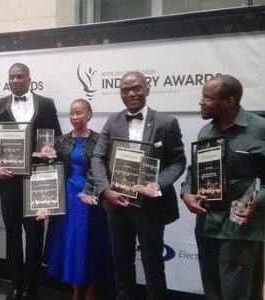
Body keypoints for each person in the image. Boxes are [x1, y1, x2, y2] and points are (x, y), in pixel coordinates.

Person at [91, 71, 186, 300]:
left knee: (153, 267)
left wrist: (158, 183)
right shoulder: (113, 120)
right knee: (122, 265)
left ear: (147, 89)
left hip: (150, 208)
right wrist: (105, 191)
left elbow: (178, 161)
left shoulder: (166, 122)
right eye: (125, 89)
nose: (131, 93)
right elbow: (97, 158)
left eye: (136, 88)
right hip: (117, 206)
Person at [0, 63, 62, 300]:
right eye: (11, 77)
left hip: (37, 180)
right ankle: (15, 283)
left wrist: (51, 151)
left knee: (34, 235)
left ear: (29, 79)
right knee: (12, 233)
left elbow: (58, 138)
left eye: (20, 77)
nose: (15, 81)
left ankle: (31, 286)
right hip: (8, 180)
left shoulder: (46, 104)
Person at [180, 75, 265, 300]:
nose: (201, 102)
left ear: (228, 101)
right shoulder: (206, 132)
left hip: (239, 226)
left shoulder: (259, 128)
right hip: (207, 223)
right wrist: (186, 192)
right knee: (212, 290)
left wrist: (257, 200)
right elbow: (193, 171)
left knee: (236, 293)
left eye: (207, 98)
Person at [39, 99, 113, 300]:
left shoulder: (100, 140)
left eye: (79, 113)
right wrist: (48, 158)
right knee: (72, 243)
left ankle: (91, 291)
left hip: (92, 200)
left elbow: (106, 171)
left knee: (90, 243)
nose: (74, 117)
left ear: (89, 114)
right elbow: (53, 172)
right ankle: (76, 291)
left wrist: (98, 194)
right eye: (71, 113)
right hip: (69, 198)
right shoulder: (60, 140)